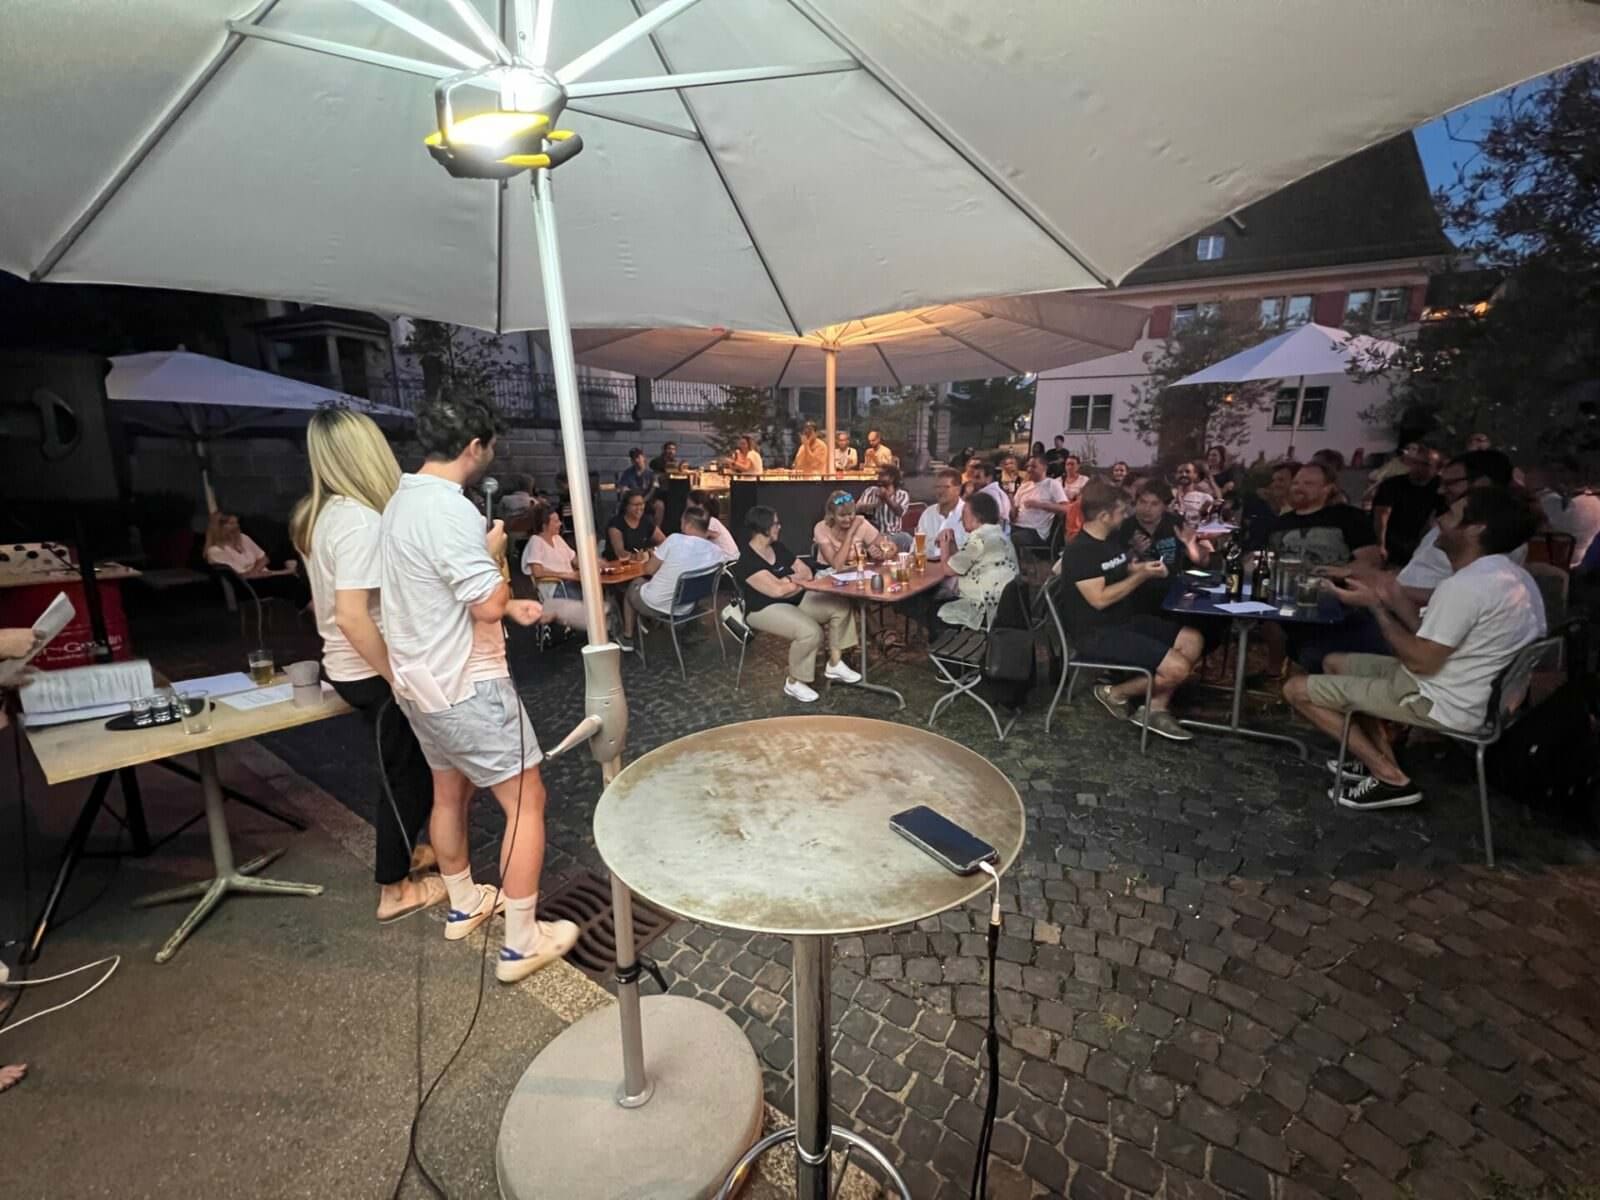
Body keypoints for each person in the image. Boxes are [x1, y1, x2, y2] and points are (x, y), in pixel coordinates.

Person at [379, 396, 578, 983]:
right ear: (474, 448)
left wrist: (505, 606)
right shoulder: (450, 510)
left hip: (421, 685)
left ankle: (464, 902)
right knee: (526, 801)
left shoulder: (401, 500)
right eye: (490, 446)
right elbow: (486, 599)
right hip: (468, 682)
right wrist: (494, 557)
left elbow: (442, 593)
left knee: (449, 792)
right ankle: (521, 942)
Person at [1285, 486, 1545, 810]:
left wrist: (1375, 608)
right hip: (1468, 690)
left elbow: (1421, 661)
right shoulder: (1511, 577)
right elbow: (1428, 637)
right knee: (1334, 662)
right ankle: (1378, 759)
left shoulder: (1467, 587)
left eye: (1451, 515)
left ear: (1476, 529)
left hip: (1441, 700)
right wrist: (1388, 597)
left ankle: (1391, 780)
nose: (1439, 521)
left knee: (1296, 689)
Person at [290, 409, 445, 925]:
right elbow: (352, 615)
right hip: (369, 670)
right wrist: (397, 678)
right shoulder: (358, 520)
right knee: (404, 778)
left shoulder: (323, 515)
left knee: (409, 770)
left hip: (349, 665)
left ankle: (411, 853)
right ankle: (394, 890)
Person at [1052, 480, 1202, 742]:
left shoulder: (1108, 540)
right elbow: (1099, 599)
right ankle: (1114, 693)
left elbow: (1117, 567)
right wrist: (1141, 576)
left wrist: (1142, 567)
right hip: (1096, 633)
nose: (1126, 516)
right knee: (1179, 669)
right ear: (1104, 516)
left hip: (1123, 620)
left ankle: (1154, 709)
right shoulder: (1081, 551)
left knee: (1193, 639)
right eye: (1121, 511)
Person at [733, 505, 860, 703]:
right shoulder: (747, 560)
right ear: (764, 528)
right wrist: (796, 582)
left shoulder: (778, 547)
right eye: (776, 524)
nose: (779, 527)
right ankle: (794, 682)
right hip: (763, 608)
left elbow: (806, 573)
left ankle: (835, 663)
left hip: (794, 598)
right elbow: (775, 592)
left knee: (840, 606)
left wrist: (788, 581)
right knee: (810, 632)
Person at [1390, 451, 1525, 604]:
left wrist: (1392, 592)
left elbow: (1473, 598)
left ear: (1482, 483)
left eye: (1450, 483)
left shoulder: (1503, 535)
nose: (1440, 491)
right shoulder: (1448, 521)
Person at [622, 504, 729, 651]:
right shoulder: (717, 552)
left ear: (688, 525)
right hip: (686, 606)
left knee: (633, 585)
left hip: (656, 604)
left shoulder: (674, 540)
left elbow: (649, 569)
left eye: (682, 522)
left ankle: (627, 638)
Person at [1259, 462, 1381, 569]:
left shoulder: (1350, 517)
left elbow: (1370, 561)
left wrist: (1340, 573)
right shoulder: (1280, 523)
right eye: (1295, 483)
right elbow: (1265, 559)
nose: (1298, 488)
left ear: (1327, 488)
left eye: (1308, 484)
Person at [937, 492, 1019, 630]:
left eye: (964, 513)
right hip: (1006, 604)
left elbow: (948, 570)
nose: (961, 518)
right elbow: (962, 563)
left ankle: (948, 640)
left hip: (985, 608)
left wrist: (943, 544)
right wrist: (951, 543)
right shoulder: (996, 533)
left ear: (976, 517)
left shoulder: (979, 540)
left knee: (934, 608)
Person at [203, 511, 310, 607]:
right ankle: (311, 608)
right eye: (232, 524)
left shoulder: (243, 538)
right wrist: (280, 572)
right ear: (219, 528)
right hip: (247, 586)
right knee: (289, 582)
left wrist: (257, 569)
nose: (236, 526)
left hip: (263, 574)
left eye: (237, 523)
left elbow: (261, 557)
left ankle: (310, 605)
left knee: (286, 548)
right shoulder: (215, 552)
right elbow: (241, 575)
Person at [519, 500, 596, 630]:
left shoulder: (558, 539)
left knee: (597, 587)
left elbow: (574, 560)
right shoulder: (536, 542)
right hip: (555, 588)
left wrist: (593, 564)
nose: (560, 524)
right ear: (545, 525)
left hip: (570, 582)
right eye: (556, 521)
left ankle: (597, 625)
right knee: (591, 596)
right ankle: (594, 627)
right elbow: (537, 572)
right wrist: (566, 575)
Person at [1371, 443, 1440, 566]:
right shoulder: (1392, 485)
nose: (1418, 467)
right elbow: (1382, 515)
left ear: (1436, 469)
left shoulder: (1440, 487)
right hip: (1392, 535)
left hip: (1423, 538)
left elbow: (1438, 518)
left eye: (1425, 464)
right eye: (1415, 463)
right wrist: (1381, 545)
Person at [1122, 480, 1211, 572]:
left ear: (1165, 507)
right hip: (1138, 579)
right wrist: (1133, 552)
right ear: (1136, 502)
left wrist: (1190, 545)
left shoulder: (1176, 523)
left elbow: (1204, 562)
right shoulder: (1124, 527)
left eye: (1154, 504)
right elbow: (1115, 569)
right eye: (1142, 502)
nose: (1147, 509)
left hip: (1172, 579)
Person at [814, 490, 897, 568]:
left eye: (850, 514)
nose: (847, 519)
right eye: (842, 515)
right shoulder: (821, 528)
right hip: (827, 572)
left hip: (856, 570)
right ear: (832, 514)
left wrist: (881, 555)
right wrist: (851, 532)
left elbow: (891, 548)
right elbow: (837, 565)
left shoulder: (862, 524)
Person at [1011, 455, 1069, 551]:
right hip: (1017, 525)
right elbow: (1014, 510)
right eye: (1028, 466)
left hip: (1035, 530)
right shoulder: (1024, 486)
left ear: (1044, 467)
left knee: (1011, 538)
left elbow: (1065, 508)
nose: (1029, 469)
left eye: (1033, 466)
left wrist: (1040, 505)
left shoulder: (1052, 484)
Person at [916, 468, 967, 558]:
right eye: (937, 487)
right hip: (928, 563)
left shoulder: (968, 514)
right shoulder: (928, 513)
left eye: (946, 487)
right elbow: (917, 547)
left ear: (958, 489)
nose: (940, 491)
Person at [859, 465, 913, 549]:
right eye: (879, 475)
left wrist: (886, 498)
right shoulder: (870, 491)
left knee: (906, 538)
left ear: (893, 480)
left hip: (893, 535)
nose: (879, 478)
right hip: (873, 535)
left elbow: (899, 512)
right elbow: (857, 508)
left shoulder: (902, 495)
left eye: (882, 475)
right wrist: (875, 505)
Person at [606, 489, 665, 561]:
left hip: (642, 562)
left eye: (642, 504)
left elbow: (663, 541)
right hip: (616, 564)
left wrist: (652, 550)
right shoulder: (616, 524)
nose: (639, 508)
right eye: (635, 505)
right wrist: (635, 556)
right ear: (626, 506)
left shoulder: (646, 521)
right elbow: (620, 552)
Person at [689, 489, 739, 558]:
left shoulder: (710, 521)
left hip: (727, 560)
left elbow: (697, 540)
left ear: (700, 506)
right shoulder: (712, 521)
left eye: (689, 505)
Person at [966, 459, 1012, 530]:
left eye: (978, 477)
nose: (973, 481)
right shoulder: (998, 492)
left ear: (989, 478)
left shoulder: (988, 495)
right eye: (973, 477)